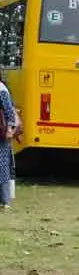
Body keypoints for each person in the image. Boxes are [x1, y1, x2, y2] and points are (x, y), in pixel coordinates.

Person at [0, 76, 17, 211]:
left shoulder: (1, 89)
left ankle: (5, 201)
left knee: (2, 165)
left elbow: (9, 112)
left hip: (1, 134)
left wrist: (10, 130)